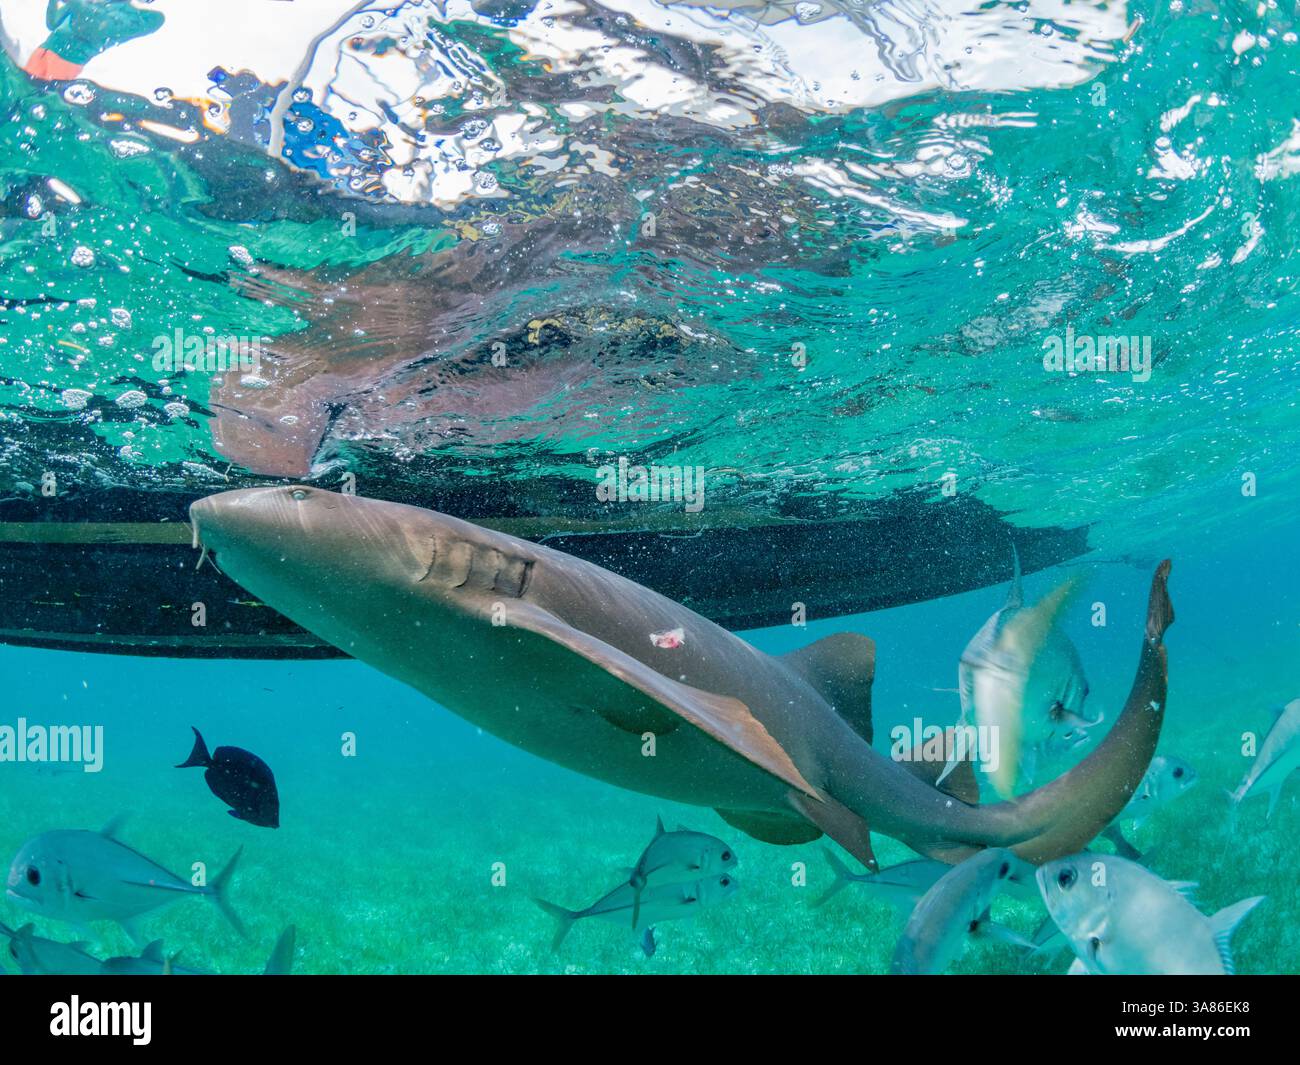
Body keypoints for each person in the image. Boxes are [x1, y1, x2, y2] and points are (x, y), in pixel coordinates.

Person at [23, 0, 164, 81]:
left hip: (66, 61)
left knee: (39, 100)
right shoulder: (91, 4)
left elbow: (92, 28)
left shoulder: (131, 16)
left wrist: (77, 3)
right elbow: (52, 23)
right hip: (43, 51)